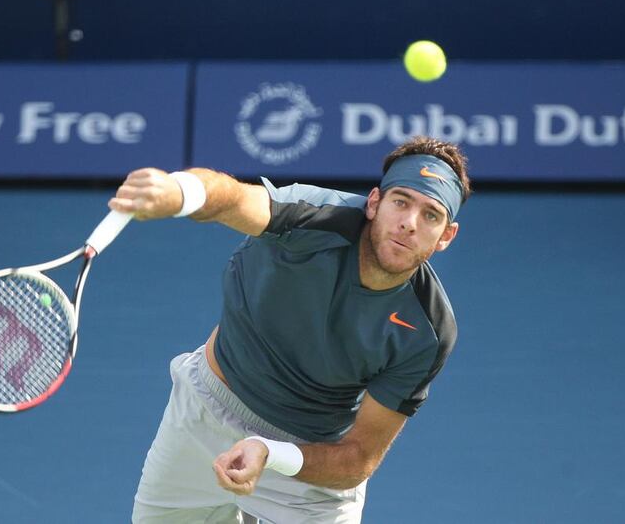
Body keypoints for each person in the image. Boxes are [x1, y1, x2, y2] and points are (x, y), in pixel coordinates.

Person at [113, 136, 472, 523]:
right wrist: (179, 190)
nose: (409, 223)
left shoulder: (427, 330)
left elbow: (358, 458)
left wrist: (272, 454)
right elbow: (232, 198)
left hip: (308, 455)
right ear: (373, 203)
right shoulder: (309, 215)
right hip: (205, 415)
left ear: (446, 236)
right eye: (400, 201)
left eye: (431, 215)